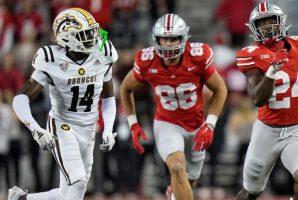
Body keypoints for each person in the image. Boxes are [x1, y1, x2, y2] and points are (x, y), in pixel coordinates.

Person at [8, 8, 118, 200]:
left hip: (89, 128)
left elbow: (108, 98)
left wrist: (108, 129)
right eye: (86, 33)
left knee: (69, 192)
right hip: (63, 125)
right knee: (78, 182)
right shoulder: (51, 58)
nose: (93, 37)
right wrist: (35, 128)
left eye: (93, 31)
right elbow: (21, 97)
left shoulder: (104, 53)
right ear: (68, 37)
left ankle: (21, 199)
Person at [235, 2, 298, 200]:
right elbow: (257, 98)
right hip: (267, 129)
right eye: (261, 23)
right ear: (254, 29)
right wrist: (273, 69)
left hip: (295, 129)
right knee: (250, 193)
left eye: (271, 21)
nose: (267, 27)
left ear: (281, 22)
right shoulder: (252, 54)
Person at [120, 13, 228, 200]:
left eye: (173, 39)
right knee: (177, 168)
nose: (169, 44)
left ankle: (173, 193)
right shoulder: (147, 60)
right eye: (165, 39)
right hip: (167, 123)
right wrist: (133, 124)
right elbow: (126, 88)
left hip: (196, 124)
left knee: (189, 180)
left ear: (183, 38)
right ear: (156, 39)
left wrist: (209, 124)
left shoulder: (198, 56)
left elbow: (220, 89)